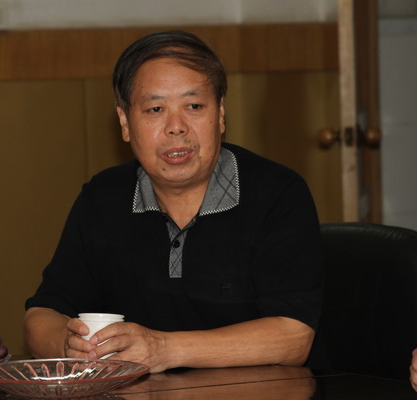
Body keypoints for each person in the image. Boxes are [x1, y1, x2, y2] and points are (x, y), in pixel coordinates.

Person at [24, 30, 324, 373]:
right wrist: (66, 344)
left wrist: (163, 350)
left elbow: (293, 337)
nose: (176, 127)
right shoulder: (103, 198)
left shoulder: (277, 193)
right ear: (125, 122)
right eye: (155, 109)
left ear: (221, 114)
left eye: (194, 106)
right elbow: (42, 315)